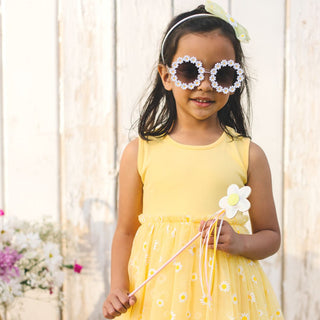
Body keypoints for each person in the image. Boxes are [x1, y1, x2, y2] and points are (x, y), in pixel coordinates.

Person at [103, 2, 284, 319]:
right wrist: (118, 285)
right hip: (156, 297)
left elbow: (270, 236)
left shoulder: (248, 154)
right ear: (167, 75)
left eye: (222, 73)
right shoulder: (139, 152)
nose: (205, 85)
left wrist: (239, 242)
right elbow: (126, 231)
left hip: (227, 297)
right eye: (190, 71)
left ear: (234, 80)